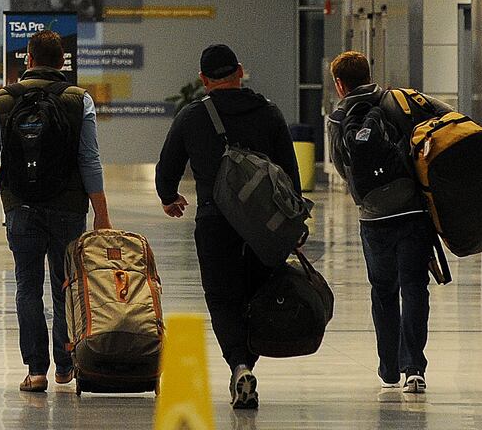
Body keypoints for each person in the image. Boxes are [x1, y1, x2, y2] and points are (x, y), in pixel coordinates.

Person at [155, 43, 298, 410]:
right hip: (265, 226)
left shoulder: (192, 116)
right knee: (257, 296)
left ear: (204, 80)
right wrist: (293, 226)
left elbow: (167, 169)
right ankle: (246, 363)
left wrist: (169, 197)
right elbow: (290, 175)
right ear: (239, 71)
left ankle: (238, 365)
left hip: (215, 221)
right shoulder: (269, 113)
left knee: (222, 298)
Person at [0, 30, 111, 394]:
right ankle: (65, 366)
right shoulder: (79, 99)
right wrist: (101, 214)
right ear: (62, 61)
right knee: (66, 285)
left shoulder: (5, 99)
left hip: (20, 206)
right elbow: (90, 160)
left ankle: (36, 371)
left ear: (29, 59)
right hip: (68, 208)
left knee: (27, 287)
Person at [326, 50, 450, 397]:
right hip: (412, 211)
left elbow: (342, 166)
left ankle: (389, 370)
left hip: (374, 217)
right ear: (369, 74)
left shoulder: (338, 118)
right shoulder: (399, 101)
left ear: (339, 84)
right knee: (414, 287)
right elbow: (448, 120)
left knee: (383, 291)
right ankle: (415, 370)